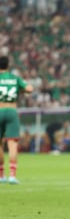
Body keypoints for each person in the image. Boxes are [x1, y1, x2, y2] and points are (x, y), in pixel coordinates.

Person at [0, 56, 33, 184]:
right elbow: (30, 89)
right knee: (12, 144)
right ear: (8, 66)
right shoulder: (15, 78)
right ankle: (12, 175)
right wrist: (21, 90)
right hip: (12, 111)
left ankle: (1, 175)